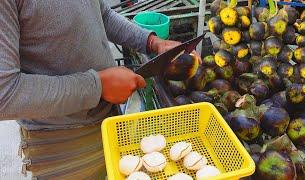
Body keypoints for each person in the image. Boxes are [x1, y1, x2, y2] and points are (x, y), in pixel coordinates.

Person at [0, 0, 183, 179]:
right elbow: (5, 95)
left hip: (108, 119)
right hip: (62, 142)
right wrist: (98, 86)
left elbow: (102, 14)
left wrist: (150, 41)